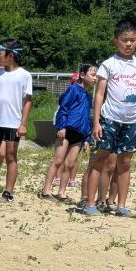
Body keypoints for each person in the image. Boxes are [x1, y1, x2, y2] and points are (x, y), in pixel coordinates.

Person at [81, 19, 136, 217]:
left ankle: (121, 205)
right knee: (100, 159)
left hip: (132, 121)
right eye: (124, 40)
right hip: (109, 118)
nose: (128, 44)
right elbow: (100, 94)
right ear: (115, 41)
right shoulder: (108, 65)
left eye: (132, 40)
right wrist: (96, 122)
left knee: (125, 162)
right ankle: (91, 203)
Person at [0, 39, 32, 202]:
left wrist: (23, 123)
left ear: (11, 56)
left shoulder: (24, 75)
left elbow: (28, 101)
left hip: (13, 122)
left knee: (11, 155)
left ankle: (8, 192)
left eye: (0, 54)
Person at [41, 63, 96, 200]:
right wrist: (61, 127)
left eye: (97, 76)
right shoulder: (73, 89)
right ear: (82, 75)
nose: (95, 78)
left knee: (70, 164)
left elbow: (88, 118)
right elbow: (63, 108)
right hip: (66, 130)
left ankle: (62, 192)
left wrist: (87, 139)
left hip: (79, 134)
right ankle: (46, 190)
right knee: (58, 161)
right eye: (93, 75)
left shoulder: (89, 97)